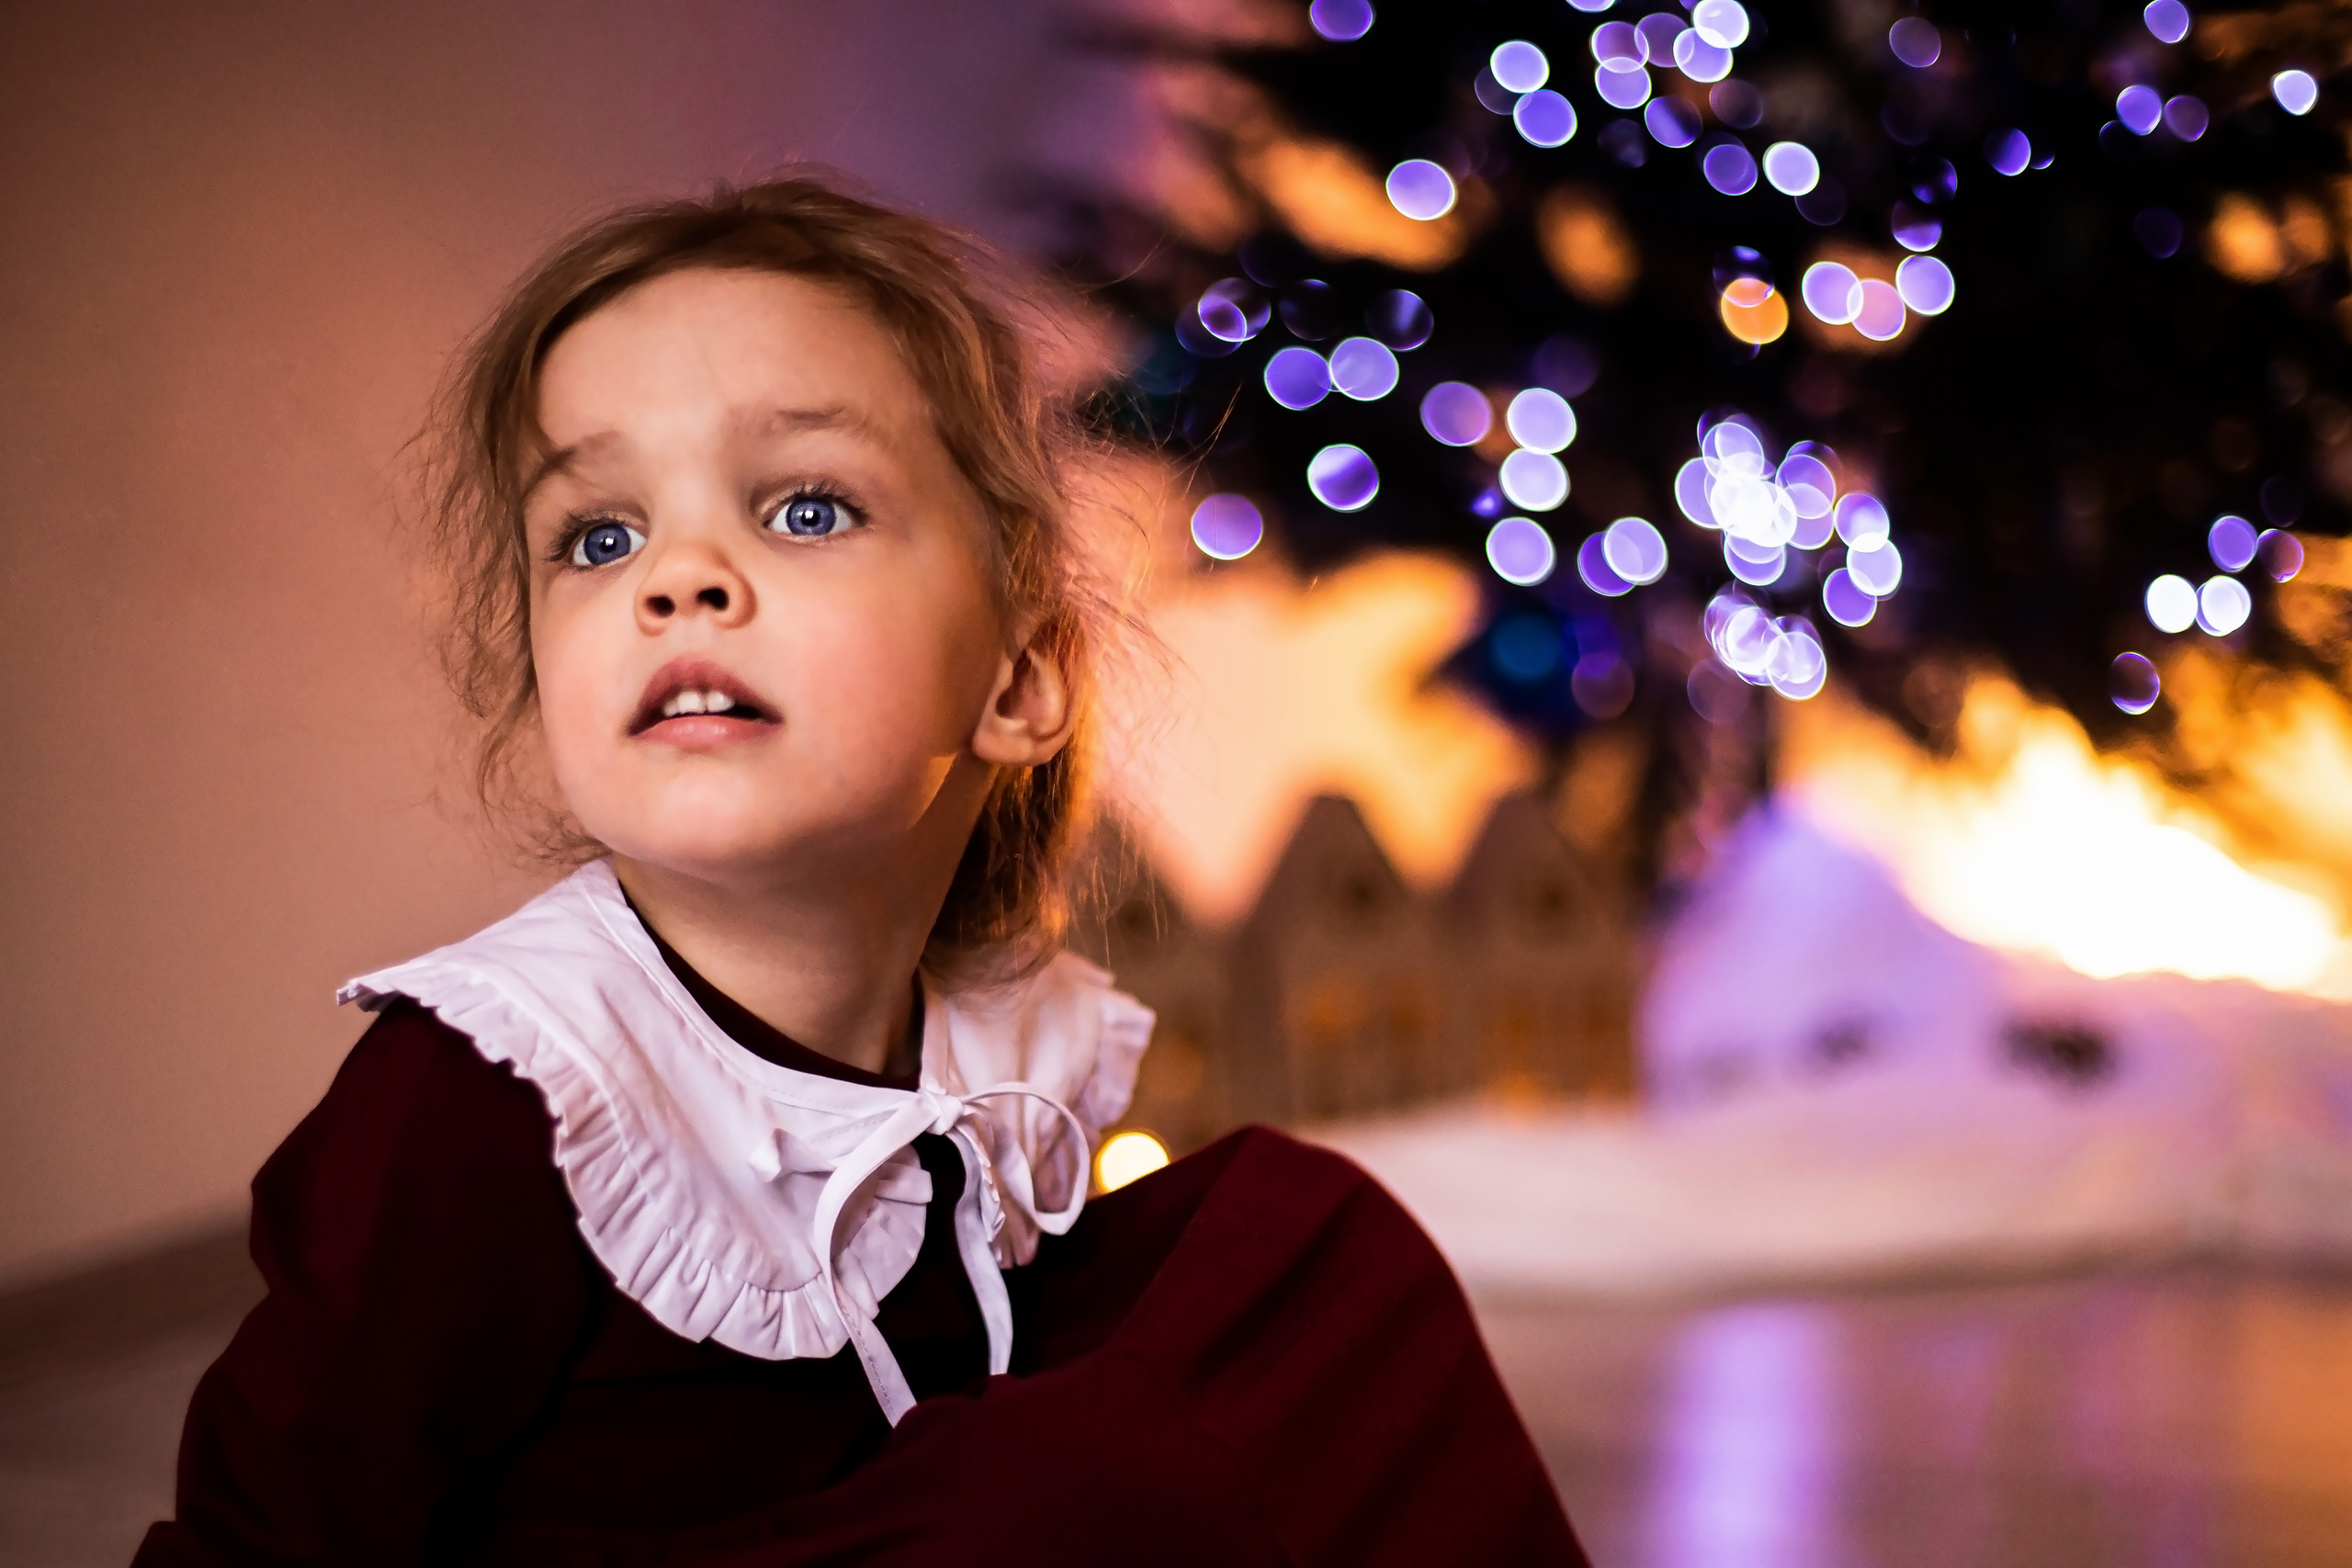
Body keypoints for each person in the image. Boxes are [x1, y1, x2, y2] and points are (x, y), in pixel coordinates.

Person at [134, 175, 1585, 1567]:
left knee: (1310, 1257)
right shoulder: (503, 1091)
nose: (678, 577)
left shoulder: (1004, 1041)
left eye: (805, 508)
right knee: (1054, 1497)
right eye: (599, 535)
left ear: (1015, 679)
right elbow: (267, 1538)